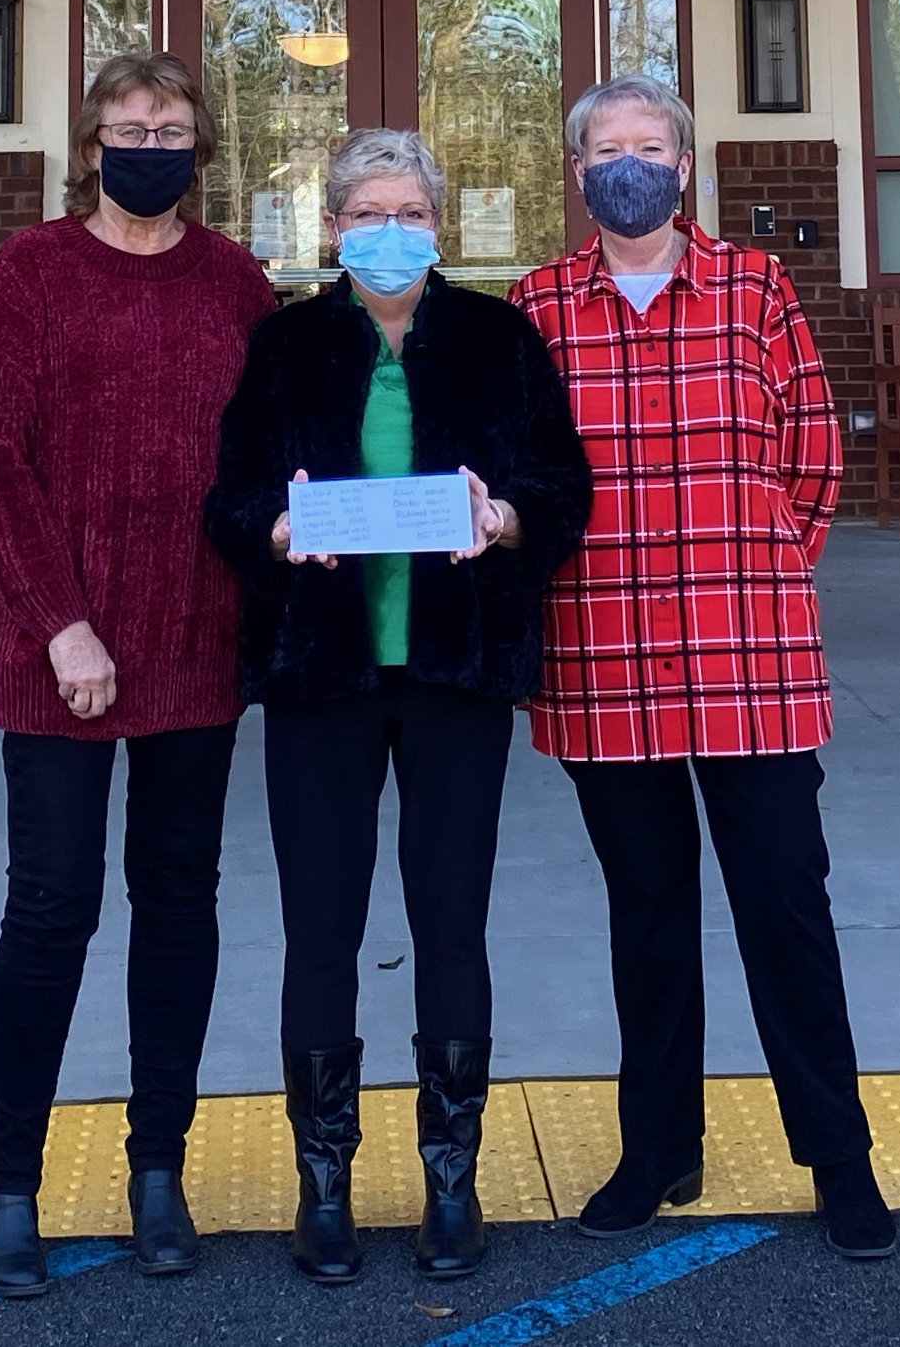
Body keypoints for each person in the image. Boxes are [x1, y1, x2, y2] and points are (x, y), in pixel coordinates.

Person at [512, 75, 895, 1263]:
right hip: (605, 654)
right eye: (606, 148)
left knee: (787, 909)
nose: (630, 164)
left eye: (651, 145)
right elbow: (519, 476)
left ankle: (838, 1157)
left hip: (750, 657)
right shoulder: (535, 308)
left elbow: (815, 455)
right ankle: (656, 1147)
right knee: (650, 918)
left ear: (685, 165)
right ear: (579, 175)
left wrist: (760, 563)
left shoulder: (755, 287)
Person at [206, 126, 592, 1285]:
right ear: (334, 228)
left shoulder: (496, 337)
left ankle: (449, 1177)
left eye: (411, 211)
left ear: (439, 224)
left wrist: (506, 518)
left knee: (450, 921)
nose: (391, 230)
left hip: (454, 674)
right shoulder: (283, 345)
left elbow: (561, 484)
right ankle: (323, 1182)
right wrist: (273, 529)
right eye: (368, 209)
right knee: (319, 931)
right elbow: (226, 500)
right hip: (320, 672)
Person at [0, 51, 279, 1298]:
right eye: (130, 126)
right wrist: (61, 625)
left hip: (197, 642)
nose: (152, 143)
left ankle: (158, 1168)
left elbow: (275, 448)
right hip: (60, 660)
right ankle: (12, 1181)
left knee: (179, 905)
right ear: (90, 146)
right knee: (52, 909)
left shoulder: (234, 280)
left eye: (174, 126)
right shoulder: (32, 271)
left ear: (201, 146)